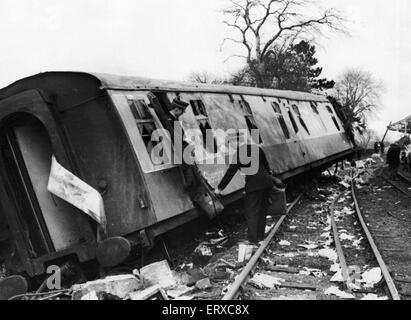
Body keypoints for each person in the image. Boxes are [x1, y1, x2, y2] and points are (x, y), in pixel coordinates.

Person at [214, 141, 284, 244]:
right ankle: (260, 237)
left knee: (251, 212)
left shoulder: (239, 153)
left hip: (253, 185)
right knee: (262, 211)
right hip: (266, 183)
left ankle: (252, 240)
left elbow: (231, 171)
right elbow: (267, 166)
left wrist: (219, 188)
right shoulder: (257, 149)